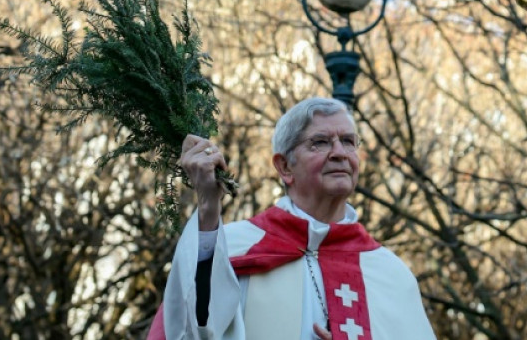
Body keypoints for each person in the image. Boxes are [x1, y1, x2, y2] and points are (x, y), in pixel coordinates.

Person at [147, 97, 436, 340]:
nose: (339, 153)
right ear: (284, 166)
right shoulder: (233, 247)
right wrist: (209, 205)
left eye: (348, 141)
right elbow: (190, 330)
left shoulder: (390, 275)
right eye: (320, 142)